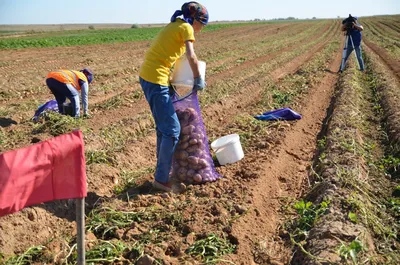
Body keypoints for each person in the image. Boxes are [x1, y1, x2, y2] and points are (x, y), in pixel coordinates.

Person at [139, 1, 208, 192]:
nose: (201, 29)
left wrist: (171, 80)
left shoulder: (175, 25)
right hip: (155, 79)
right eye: (202, 24)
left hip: (152, 77)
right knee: (171, 130)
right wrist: (198, 78)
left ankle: (164, 170)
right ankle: (161, 179)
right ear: (195, 20)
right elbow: (191, 57)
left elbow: (167, 56)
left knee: (165, 128)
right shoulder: (186, 27)